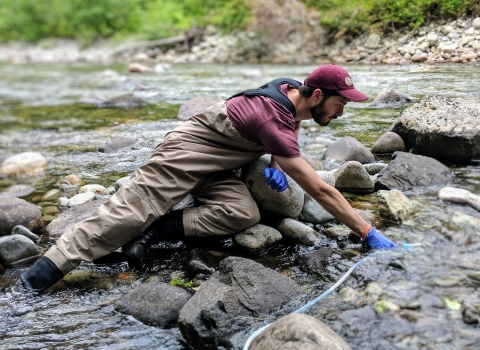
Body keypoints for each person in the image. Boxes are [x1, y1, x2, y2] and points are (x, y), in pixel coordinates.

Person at [15, 63, 396, 292]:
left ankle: (161, 230)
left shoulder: (290, 91)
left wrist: (277, 167)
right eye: (340, 103)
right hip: (184, 154)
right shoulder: (272, 117)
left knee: (241, 213)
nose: (342, 112)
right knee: (123, 216)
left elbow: (287, 131)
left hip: (220, 165)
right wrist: (366, 231)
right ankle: (34, 279)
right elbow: (321, 190)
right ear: (316, 95)